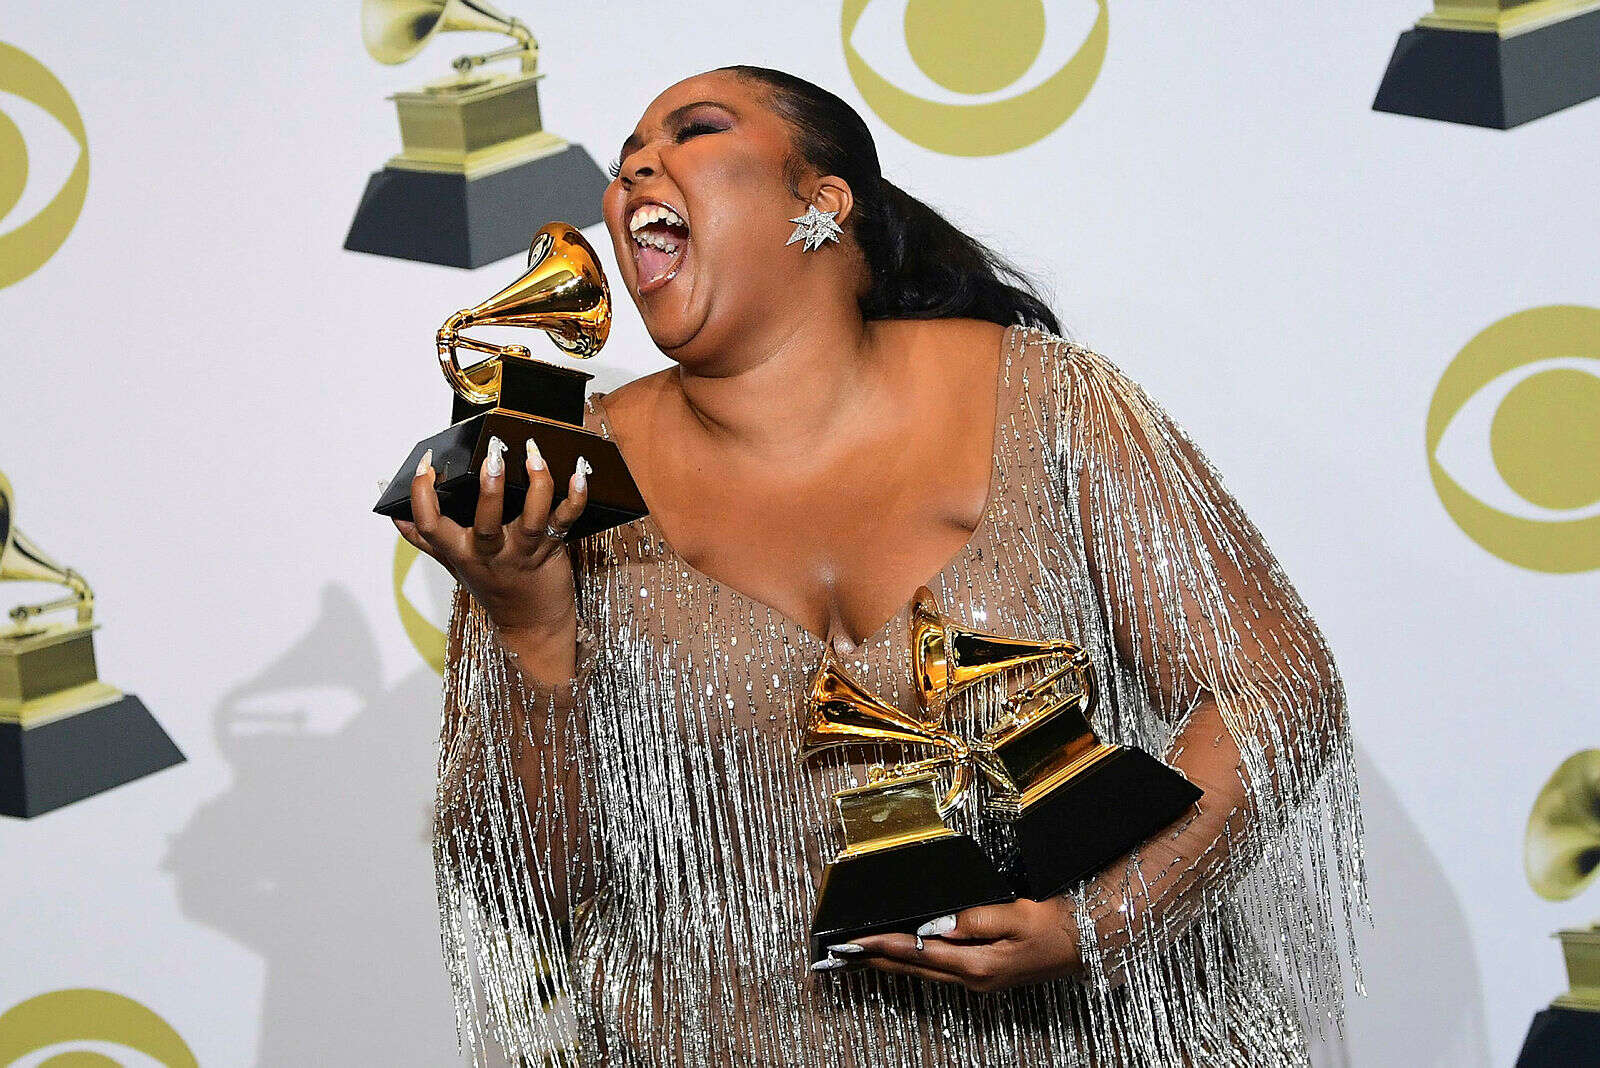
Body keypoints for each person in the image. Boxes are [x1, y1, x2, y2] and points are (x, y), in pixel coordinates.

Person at [395, 65, 1366, 1067]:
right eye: (624, 158)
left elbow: (1275, 684)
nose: (635, 168)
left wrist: (1101, 922)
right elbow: (533, 886)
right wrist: (530, 626)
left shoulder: (1050, 399)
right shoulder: (562, 482)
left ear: (822, 200)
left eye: (694, 131)